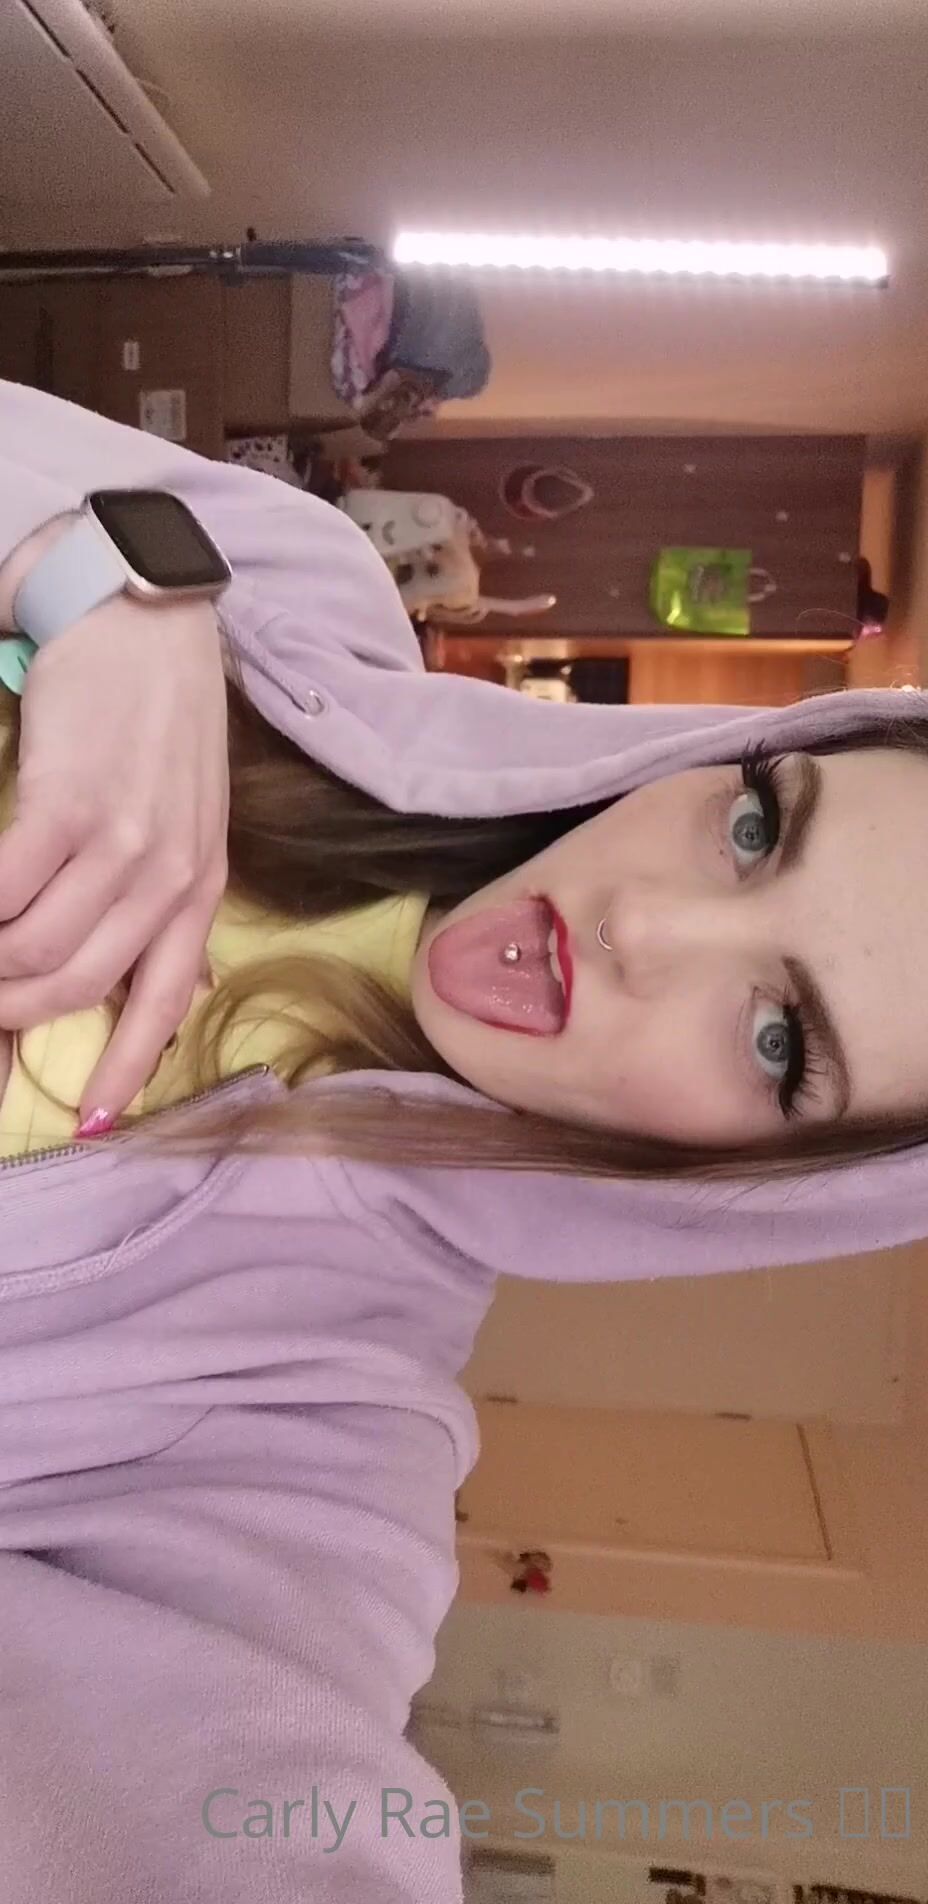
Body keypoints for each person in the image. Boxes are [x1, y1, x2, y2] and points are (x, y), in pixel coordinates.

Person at [2, 379, 928, 1902]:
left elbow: (231, 1801)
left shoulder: (320, 1417)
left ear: (764, 1182)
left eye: (778, 1041)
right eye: (756, 827)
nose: (644, 927)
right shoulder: (289, 597)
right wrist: (81, 576)